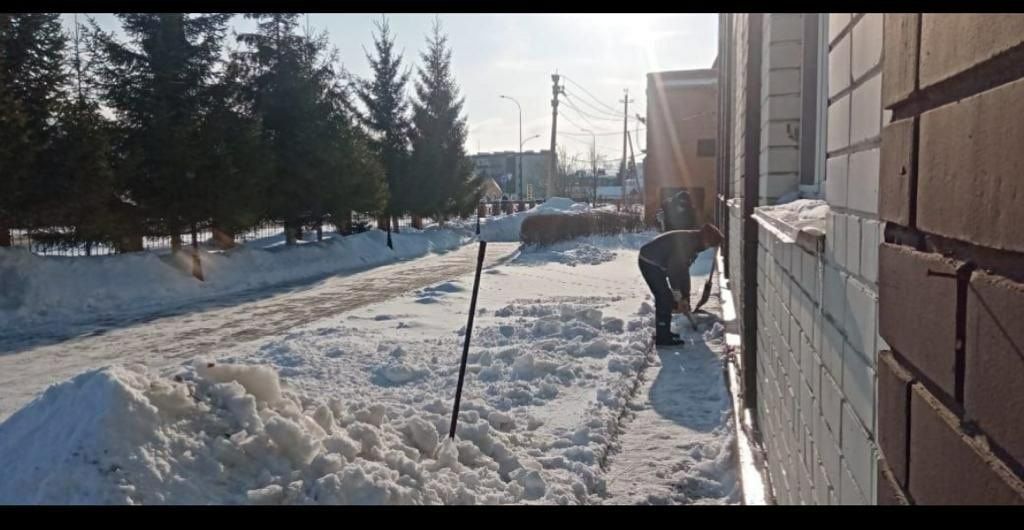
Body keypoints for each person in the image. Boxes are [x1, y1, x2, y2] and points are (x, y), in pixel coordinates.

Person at [638, 223, 724, 345]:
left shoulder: (694, 243)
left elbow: (683, 272)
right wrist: (678, 296)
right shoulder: (688, 244)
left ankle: (664, 333)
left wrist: (686, 296)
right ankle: (663, 338)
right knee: (664, 297)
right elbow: (674, 272)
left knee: (667, 297)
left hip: (656, 262)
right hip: (649, 262)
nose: (708, 248)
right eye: (709, 245)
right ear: (705, 239)